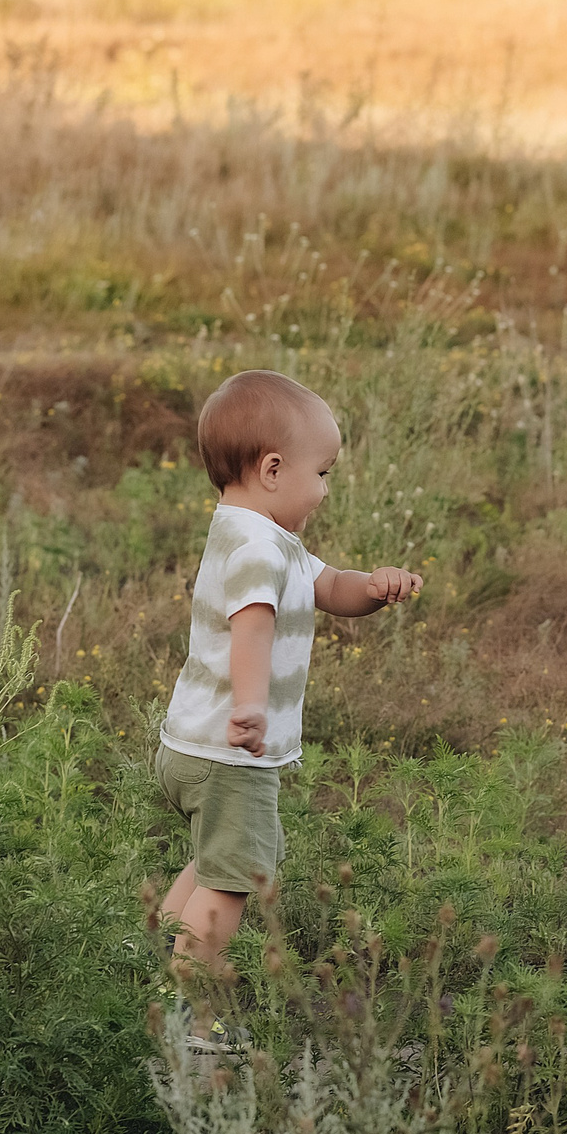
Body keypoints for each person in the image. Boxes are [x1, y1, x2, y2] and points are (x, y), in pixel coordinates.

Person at [150, 370, 423, 1053]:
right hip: (229, 750)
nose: (326, 489)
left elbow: (328, 586)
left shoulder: (260, 537)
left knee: (222, 860)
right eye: (323, 473)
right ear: (274, 469)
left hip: (196, 748)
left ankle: (160, 949)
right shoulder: (257, 546)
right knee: (239, 877)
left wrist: (375, 587)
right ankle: (194, 1013)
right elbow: (252, 628)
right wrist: (249, 708)